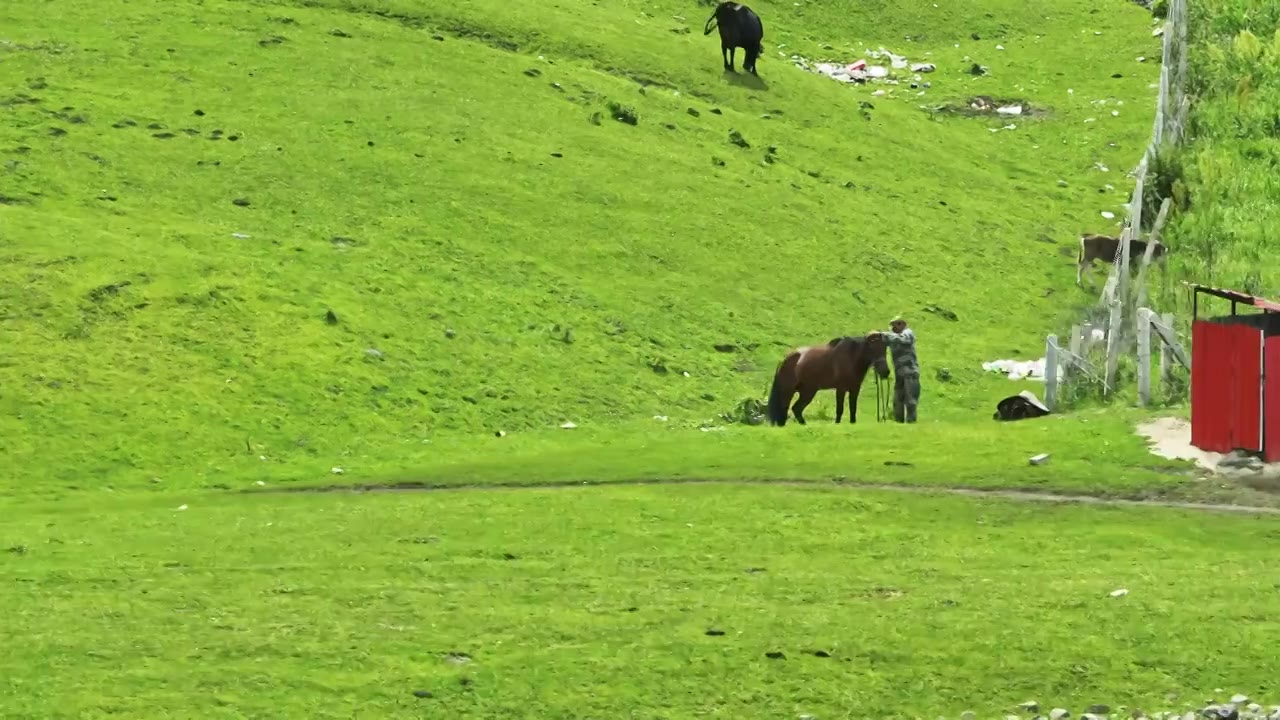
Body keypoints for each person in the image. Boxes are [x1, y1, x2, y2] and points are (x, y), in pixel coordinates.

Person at [876, 315, 920, 423]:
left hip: (910, 372)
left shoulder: (908, 333)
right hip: (899, 373)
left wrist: (884, 335)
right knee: (897, 400)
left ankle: (911, 422)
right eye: (892, 325)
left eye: (896, 324)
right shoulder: (893, 336)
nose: (893, 327)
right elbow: (884, 341)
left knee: (910, 400)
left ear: (903, 324)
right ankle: (898, 422)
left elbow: (902, 339)